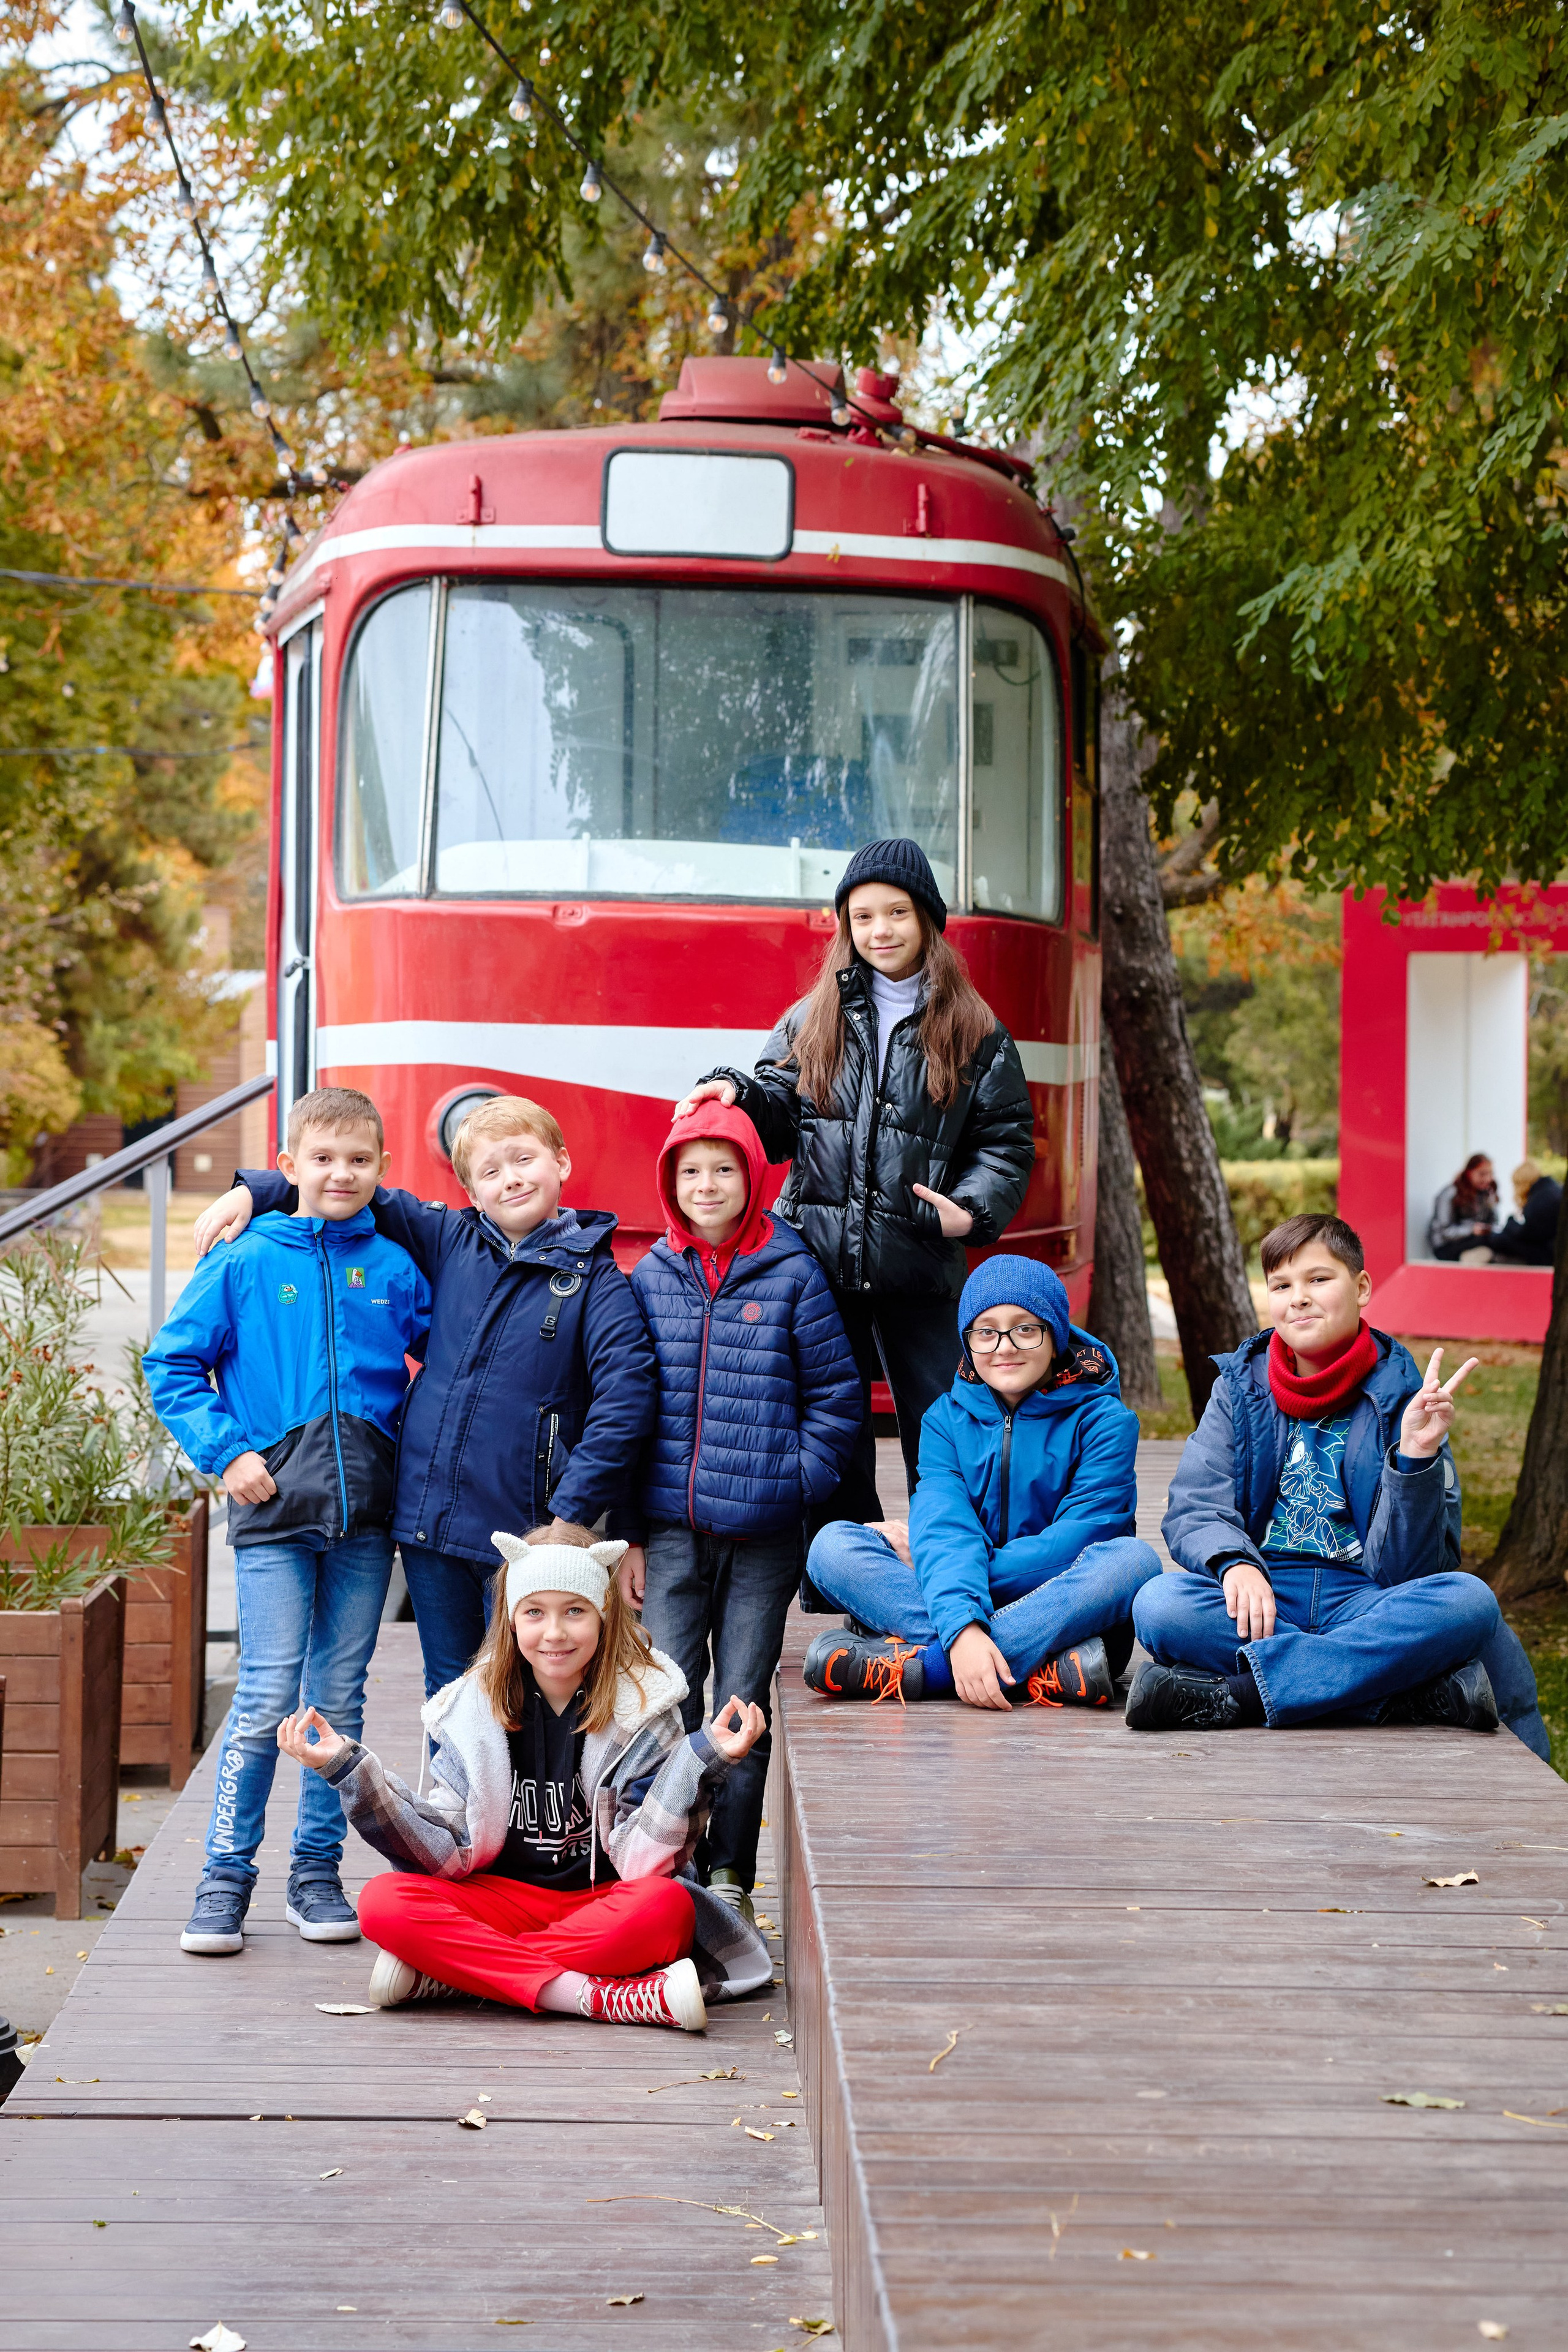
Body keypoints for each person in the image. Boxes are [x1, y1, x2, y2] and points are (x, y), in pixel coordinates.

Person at [194, 1095, 657, 1697]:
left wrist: (569, 1518)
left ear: (562, 1163)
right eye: (491, 1171)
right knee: (451, 1688)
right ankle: (455, 1796)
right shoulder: (448, 1238)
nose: (511, 1178)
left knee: (537, 1685)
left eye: (525, 1160)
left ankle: (530, 1796)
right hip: (428, 1526)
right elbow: (348, 1188)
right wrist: (253, 1192)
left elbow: (626, 1403)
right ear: (471, 1190)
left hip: (529, 1534)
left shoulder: (597, 1284)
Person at [674, 837, 1035, 1540]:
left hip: (922, 1259)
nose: (881, 931)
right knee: (831, 1418)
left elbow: (1006, 1141)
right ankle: (843, 1568)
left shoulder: (976, 1030)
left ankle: (948, 1555)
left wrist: (969, 1212)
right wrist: (738, 1093)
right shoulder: (811, 1018)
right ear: (845, 926)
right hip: (816, 1260)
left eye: (896, 913)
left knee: (942, 1421)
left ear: (927, 919)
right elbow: (777, 1112)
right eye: (863, 917)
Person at [145, 1086, 432, 1955]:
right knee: (266, 1692)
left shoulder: (394, 1269)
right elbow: (173, 1364)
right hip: (272, 1515)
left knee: (336, 1700)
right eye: (323, 1158)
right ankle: (224, 1876)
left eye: (358, 1160)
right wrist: (227, 1453)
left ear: (381, 1170)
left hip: (364, 1522)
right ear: (288, 1165)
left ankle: (316, 1873)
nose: (340, 1173)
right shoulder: (243, 1258)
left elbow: (450, 1364)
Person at [277, 1530, 774, 2030]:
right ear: (512, 1619)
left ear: (604, 1614)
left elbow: (644, 1863)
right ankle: (597, 1996)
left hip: (604, 1901)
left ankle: (457, 1974)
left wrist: (699, 1760)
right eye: (535, 1612)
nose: (554, 1633)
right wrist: (347, 1768)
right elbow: (445, 1847)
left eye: (574, 1611)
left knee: (666, 1906)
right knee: (383, 1902)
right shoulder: (469, 1710)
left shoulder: (646, 1707)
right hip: (501, 1897)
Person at [1128, 1212, 1549, 1754]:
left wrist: (1416, 1459)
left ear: (1362, 1287)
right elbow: (1194, 1505)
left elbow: (1412, 1571)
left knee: (1467, 1601)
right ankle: (1396, 1695)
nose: (1298, 1298)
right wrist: (1235, 1562)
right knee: (1161, 1605)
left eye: (1318, 1279)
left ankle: (1241, 1697)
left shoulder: (1403, 1394)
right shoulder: (1240, 1387)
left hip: (1366, 1599)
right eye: (1281, 1285)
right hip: (1265, 1596)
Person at [613, 1104, 861, 1924]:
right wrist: (632, 1535)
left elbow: (837, 1398)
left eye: (723, 1169)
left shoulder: (791, 1272)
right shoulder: (652, 1275)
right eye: (689, 1172)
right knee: (671, 1697)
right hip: (673, 1533)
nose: (706, 1186)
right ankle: (669, 1855)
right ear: (669, 1184)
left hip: (762, 1534)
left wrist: (795, 1481)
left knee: (740, 1700)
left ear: (753, 1178)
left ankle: (732, 1873)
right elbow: (629, 1405)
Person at [799, 1256, 1163, 1706]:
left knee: (1132, 1561)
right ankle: (1041, 1669)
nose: (1004, 1346)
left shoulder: (1105, 1421)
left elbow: (1081, 1539)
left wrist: (946, 1573)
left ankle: (931, 1667)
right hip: (981, 1605)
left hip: (1058, 1604)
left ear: (1056, 1336)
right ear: (967, 1342)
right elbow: (946, 1522)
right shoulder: (944, 1421)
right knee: (832, 1546)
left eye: (1025, 1329)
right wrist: (961, 1613)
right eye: (985, 1332)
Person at [1427, 1153, 1499, 1261]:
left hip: (1471, 1240)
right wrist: (1472, 1230)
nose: (1488, 1179)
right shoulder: (1450, 1194)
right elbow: (1444, 1232)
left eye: (1490, 1174)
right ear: (1469, 1173)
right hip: (1445, 1246)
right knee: (1488, 1241)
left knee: (1499, 1239)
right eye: (1482, 1174)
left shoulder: (1485, 1194)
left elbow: (1494, 1222)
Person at [1491, 1160, 1562, 1267]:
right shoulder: (1550, 1189)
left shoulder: (1541, 1198)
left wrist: (1511, 1222)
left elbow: (1527, 1234)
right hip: (1552, 1248)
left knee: (1498, 1239)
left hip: (1548, 1254)